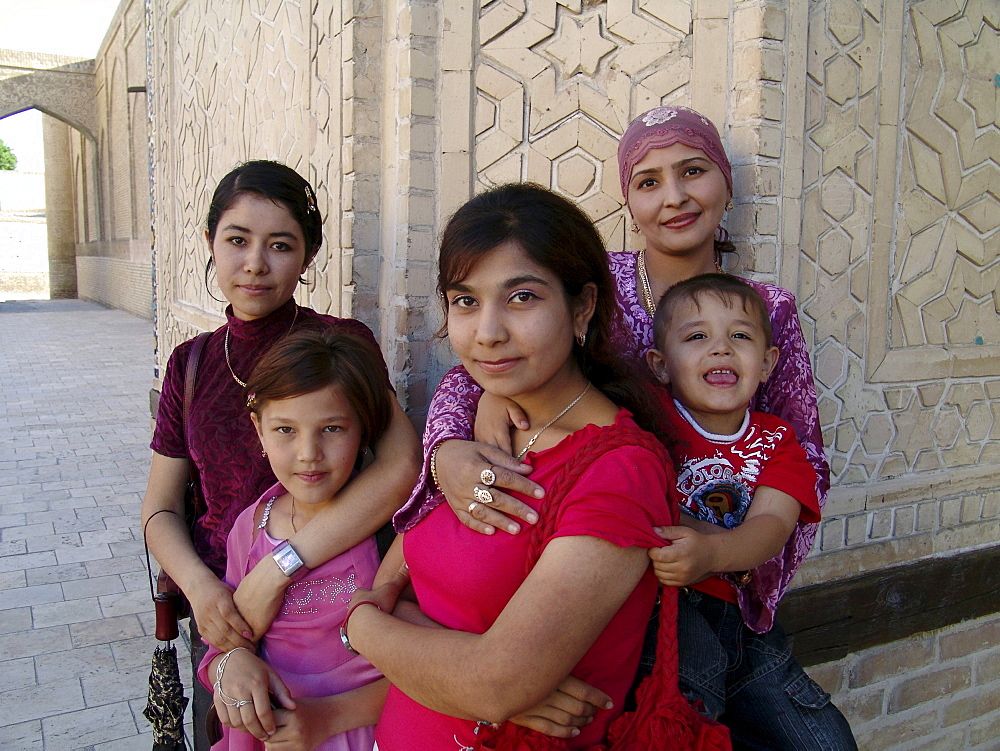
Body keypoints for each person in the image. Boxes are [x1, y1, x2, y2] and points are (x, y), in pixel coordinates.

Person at [393, 105, 839, 742]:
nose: (675, 197)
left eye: (694, 172)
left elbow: (802, 456)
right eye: (649, 181)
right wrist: (448, 450)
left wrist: (730, 556)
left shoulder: (765, 309)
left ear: (727, 184)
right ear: (628, 199)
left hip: (706, 577)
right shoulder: (606, 282)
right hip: (591, 559)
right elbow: (485, 369)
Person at [341, 183, 698, 749]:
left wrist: (361, 628)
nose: (487, 332)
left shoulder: (618, 471)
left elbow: (492, 683)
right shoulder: (481, 434)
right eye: (465, 301)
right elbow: (397, 576)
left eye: (522, 297)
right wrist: (451, 664)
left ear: (582, 306)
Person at [140, 160, 420, 748]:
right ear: (211, 241)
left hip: (334, 603)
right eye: (237, 241)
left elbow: (401, 469)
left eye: (280, 245)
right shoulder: (189, 366)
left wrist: (275, 569)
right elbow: (160, 510)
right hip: (227, 613)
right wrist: (203, 588)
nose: (255, 265)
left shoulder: (342, 345)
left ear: (308, 255)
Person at [644, 273, 855, 748]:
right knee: (684, 729)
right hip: (666, 612)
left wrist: (711, 553)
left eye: (739, 336)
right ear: (659, 365)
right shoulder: (646, 417)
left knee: (826, 740)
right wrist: (493, 401)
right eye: (697, 336)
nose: (721, 349)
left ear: (766, 363)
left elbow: (771, 526)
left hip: (745, 620)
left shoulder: (777, 442)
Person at [199, 328, 394, 750]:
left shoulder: (388, 534)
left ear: (364, 429)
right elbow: (223, 646)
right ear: (258, 430)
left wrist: (326, 718)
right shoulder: (250, 528)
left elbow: (425, 670)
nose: (309, 453)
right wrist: (231, 665)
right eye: (285, 429)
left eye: (332, 429)